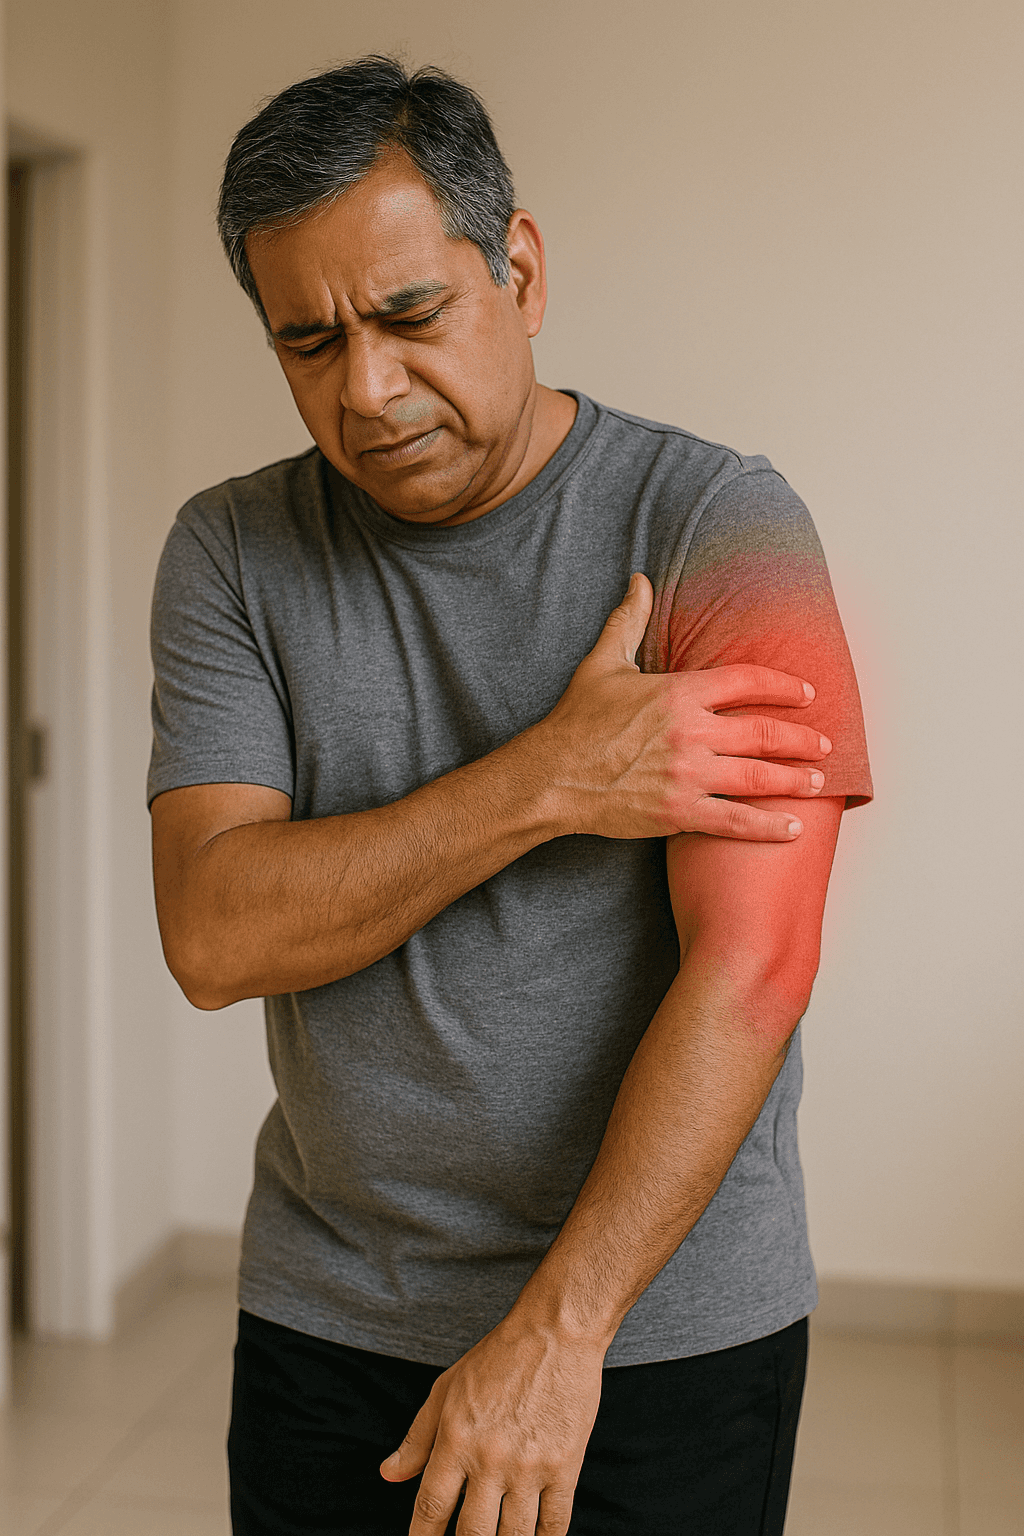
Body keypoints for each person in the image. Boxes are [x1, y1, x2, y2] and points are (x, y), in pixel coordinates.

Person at [148, 56, 871, 1536]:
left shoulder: (723, 522)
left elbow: (755, 968)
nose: (367, 389)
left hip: (657, 1330)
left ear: (518, 268)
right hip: (330, 1313)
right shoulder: (228, 553)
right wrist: (549, 779)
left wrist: (562, 1331)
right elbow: (215, 935)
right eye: (307, 343)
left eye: (412, 316)